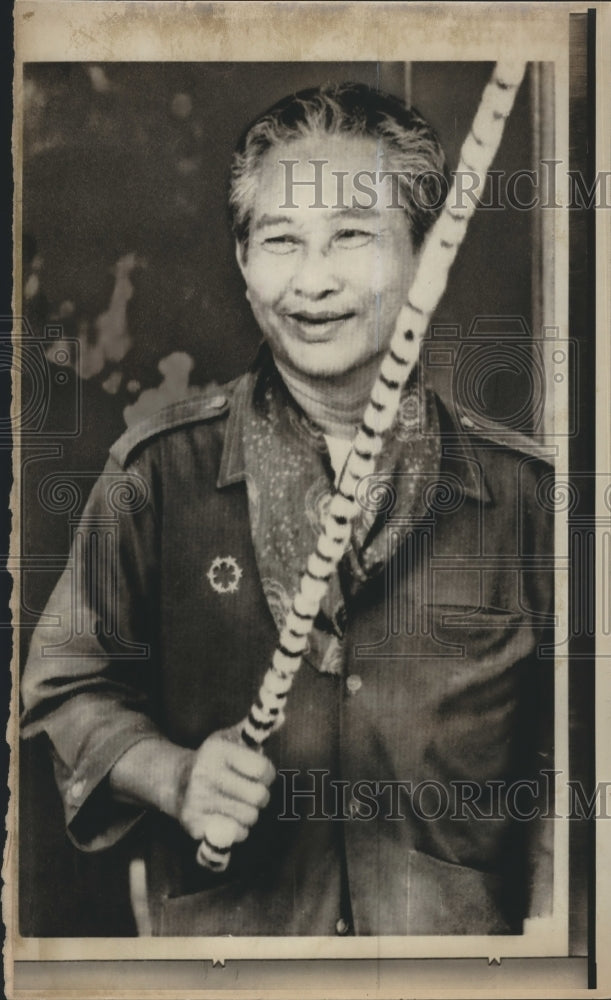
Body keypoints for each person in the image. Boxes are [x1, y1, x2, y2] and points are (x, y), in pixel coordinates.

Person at [21, 82, 554, 937]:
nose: (311, 280)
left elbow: (576, 764)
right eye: (280, 240)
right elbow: (67, 687)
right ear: (242, 263)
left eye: (351, 235)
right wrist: (173, 776)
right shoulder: (155, 475)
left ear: (425, 253)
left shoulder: (527, 497)